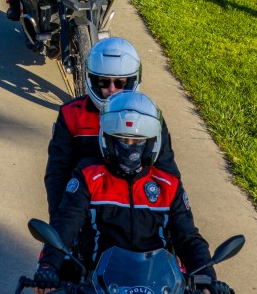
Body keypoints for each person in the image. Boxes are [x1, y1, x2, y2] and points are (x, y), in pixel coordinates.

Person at [31, 91, 226, 292]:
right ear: (107, 140)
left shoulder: (168, 185)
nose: (130, 147)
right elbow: (66, 223)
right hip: (96, 290)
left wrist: (207, 278)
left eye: (137, 141)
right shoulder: (88, 177)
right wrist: (49, 266)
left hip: (159, 292)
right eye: (122, 140)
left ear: (151, 143)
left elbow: (188, 237)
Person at [43, 38, 177, 215]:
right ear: (91, 79)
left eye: (120, 83)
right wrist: (58, 220)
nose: (112, 90)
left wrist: (176, 220)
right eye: (103, 82)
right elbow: (58, 173)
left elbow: (167, 172)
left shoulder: (149, 116)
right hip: (85, 209)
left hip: (138, 210)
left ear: (132, 80)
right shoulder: (71, 115)